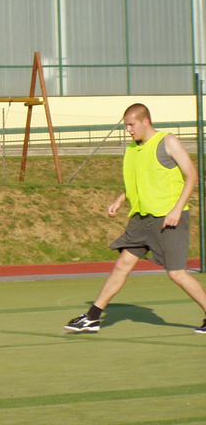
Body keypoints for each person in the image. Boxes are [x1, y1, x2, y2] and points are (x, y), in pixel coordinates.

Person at [65, 103, 206, 334]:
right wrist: (120, 200)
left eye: (131, 125)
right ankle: (92, 317)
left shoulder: (167, 141)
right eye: (126, 125)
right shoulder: (132, 149)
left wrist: (176, 209)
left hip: (168, 218)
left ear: (145, 122)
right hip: (141, 219)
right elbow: (141, 181)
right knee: (123, 264)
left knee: (177, 273)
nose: (128, 130)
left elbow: (192, 176)